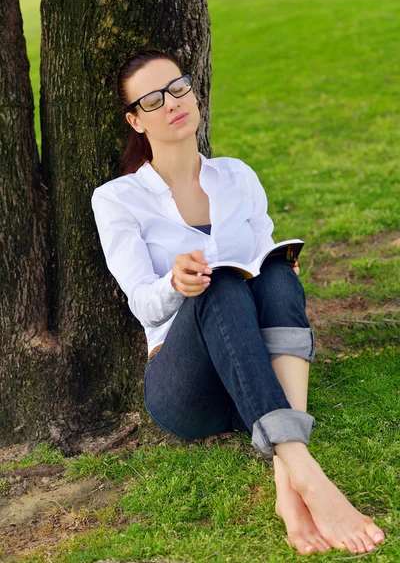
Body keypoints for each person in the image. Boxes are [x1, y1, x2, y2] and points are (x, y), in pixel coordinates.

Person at [91, 48, 385, 556]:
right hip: (189, 389)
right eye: (153, 100)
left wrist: (281, 269)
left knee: (275, 272)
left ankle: (286, 481)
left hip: (253, 370)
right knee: (218, 282)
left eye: (179, 87)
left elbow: (266, 260)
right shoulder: (117, 199)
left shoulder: (237, 176)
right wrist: (174, 284)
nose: (172, 104)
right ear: (135, 120)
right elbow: (142, 303)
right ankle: (309, 479)